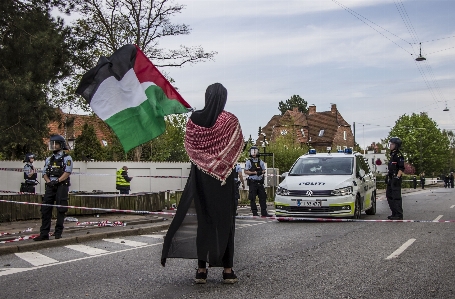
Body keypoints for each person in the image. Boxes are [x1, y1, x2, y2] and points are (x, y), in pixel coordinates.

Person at [161, 83, 244, 284]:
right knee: (226, 224)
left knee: (203, 223)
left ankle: (201, 270)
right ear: (223, 98)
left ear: (207, 97)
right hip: (223, 180)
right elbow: (237, 146)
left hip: (200, 179)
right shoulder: (230, 120)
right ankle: (227, 270)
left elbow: (190, 145)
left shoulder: (194, 119)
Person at [34, 135, 73, 241]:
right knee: (46, 208)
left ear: (61, 145)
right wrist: (49, 181)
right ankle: (44, 234)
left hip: (61, 185)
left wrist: (58, 181)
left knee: (61, 208)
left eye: (56, 144)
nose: (54, 146)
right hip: (51, 185)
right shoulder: (48, 159)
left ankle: (58, 233)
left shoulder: (67, 158)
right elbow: (44, 173)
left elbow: (67, 172)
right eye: (53, 144)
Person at [244, 146, 271, 217]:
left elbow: (264, 170)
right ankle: (255, 213)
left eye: (255, 151)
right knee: (252, 198)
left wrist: (262, 172)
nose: (254, 153)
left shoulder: (260, 161)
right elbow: (246, 171)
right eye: (252, 151)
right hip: (253, 182)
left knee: (263, 197)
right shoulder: (249, 162)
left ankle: (264, 213)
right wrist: (255, 173)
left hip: (260, 182)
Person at [386, 137, 405, 220]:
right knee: (389, 195)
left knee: (396, 196)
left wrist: (397, 177)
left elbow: (401, 168)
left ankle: (399, 214)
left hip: (396, 178)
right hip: (391, 178)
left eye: (392, 144)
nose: (390, 145)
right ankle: (394, 212)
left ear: (396, 145)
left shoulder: (399, 155)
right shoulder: (392, 155)